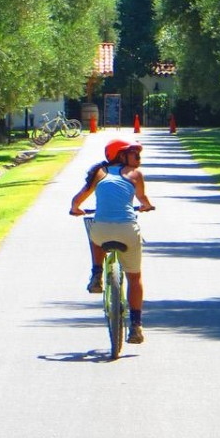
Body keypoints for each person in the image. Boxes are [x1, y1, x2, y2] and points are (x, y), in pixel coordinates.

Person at [70, 137, 155, 344]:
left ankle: (96, 274)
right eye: (134, 153)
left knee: (94, 232)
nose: (138, 157)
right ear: (121, 155)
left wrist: (76, 210)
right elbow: (143, 200)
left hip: (102, 230)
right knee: (135, 278)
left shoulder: (99, 173)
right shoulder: (136, 175)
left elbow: (77, 201)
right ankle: (136, 326)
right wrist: (146, 206)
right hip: (128, 229)